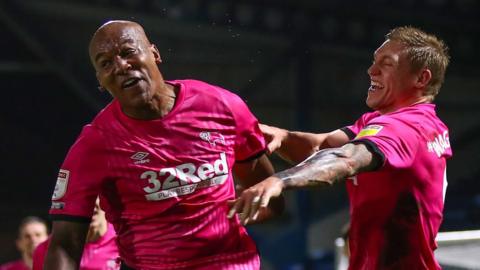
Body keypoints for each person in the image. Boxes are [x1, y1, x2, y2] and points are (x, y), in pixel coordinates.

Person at [44, 20, 283, 270]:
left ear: (154, 54)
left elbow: (273, 203)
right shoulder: (94, 146)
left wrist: (216, 223)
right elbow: (64, 244)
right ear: (100, 80)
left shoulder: (221, 106)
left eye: (128, 52)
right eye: (106, 63)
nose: (120, 66)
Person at [229, 26, 451, 269]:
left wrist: (279, 180)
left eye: (387, 64)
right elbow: (319, 147)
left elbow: (346, 160)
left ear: (421, 78)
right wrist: (283, 136)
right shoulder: (389, 123)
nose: (371, 70)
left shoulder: (406, 129)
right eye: (374, 61)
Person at [33, 199, 119, 270]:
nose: (88, 203)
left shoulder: (123, 243)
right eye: (81, 197)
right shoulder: (47, 249)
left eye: (95, 195)